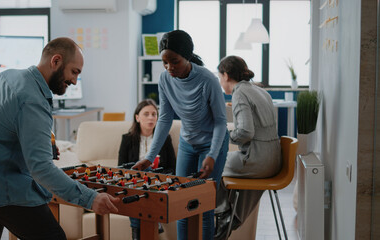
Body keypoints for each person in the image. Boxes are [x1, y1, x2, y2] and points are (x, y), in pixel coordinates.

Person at [0, 37, 120, 240]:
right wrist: (90, 199)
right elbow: (41, 169)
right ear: (56, 61)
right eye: (74, 72)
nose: (75, 81)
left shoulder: (5, 77)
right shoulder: (32, 99)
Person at [132, 30, 229, 240]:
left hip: (212, 145)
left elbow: (221, 121)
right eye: (164, 62)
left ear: (187, 56)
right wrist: (149, 157)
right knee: (181, 205)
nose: (169, 68)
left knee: (203, 207)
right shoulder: (165, 79)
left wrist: (212, 154)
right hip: (188, 143)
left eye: (174, 61)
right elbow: (165, 118)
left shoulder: (207, 80)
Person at [214, 56, 281, 239]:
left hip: (258, 161)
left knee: (215, 165)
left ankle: (221, 215)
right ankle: (232, 218)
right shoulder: (261, 91)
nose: (220, 82)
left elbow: (245, 132)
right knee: (236, 171)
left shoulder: (239, 93)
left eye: (220, 77)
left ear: (226, 75)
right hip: (274, 162)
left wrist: (228, 136)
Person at [118, 98, 176, 240]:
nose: (151, 117)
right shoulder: (127, 139)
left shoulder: (165, 138)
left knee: (148, 171)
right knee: (136, 193)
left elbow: (172, 168)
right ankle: (154, 221)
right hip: (134, 183)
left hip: (158, 183)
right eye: (146, 114)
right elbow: (120, 168)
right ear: (137, 117)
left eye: (154, 114)